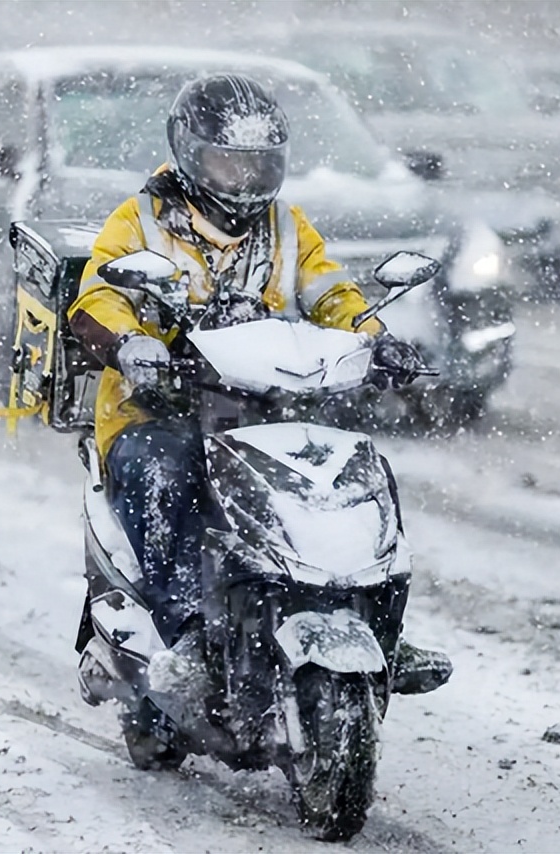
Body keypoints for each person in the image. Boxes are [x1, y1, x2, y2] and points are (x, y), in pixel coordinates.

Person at [67, 73, 451, 695]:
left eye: (258, 164)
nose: (243, 179)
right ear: (190, 154)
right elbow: (100, 296)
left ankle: (383, 629)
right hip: (160, 407)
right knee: (163, 473)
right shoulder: (139, 220)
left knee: (362, 473)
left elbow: (331, 291)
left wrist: (374, 337)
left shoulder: (286, 225)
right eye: (227, 162)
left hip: (268, 404)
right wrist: (132, 344)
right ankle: (186, 633)